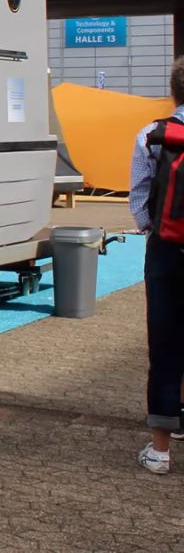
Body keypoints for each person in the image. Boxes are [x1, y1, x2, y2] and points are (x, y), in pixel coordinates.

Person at [131, 55, 184, 474]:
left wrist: (154, 230)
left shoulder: (152, 135)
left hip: (166, 251)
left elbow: (138, 198)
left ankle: (160, 452)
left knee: (165, 343)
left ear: (174, 90)